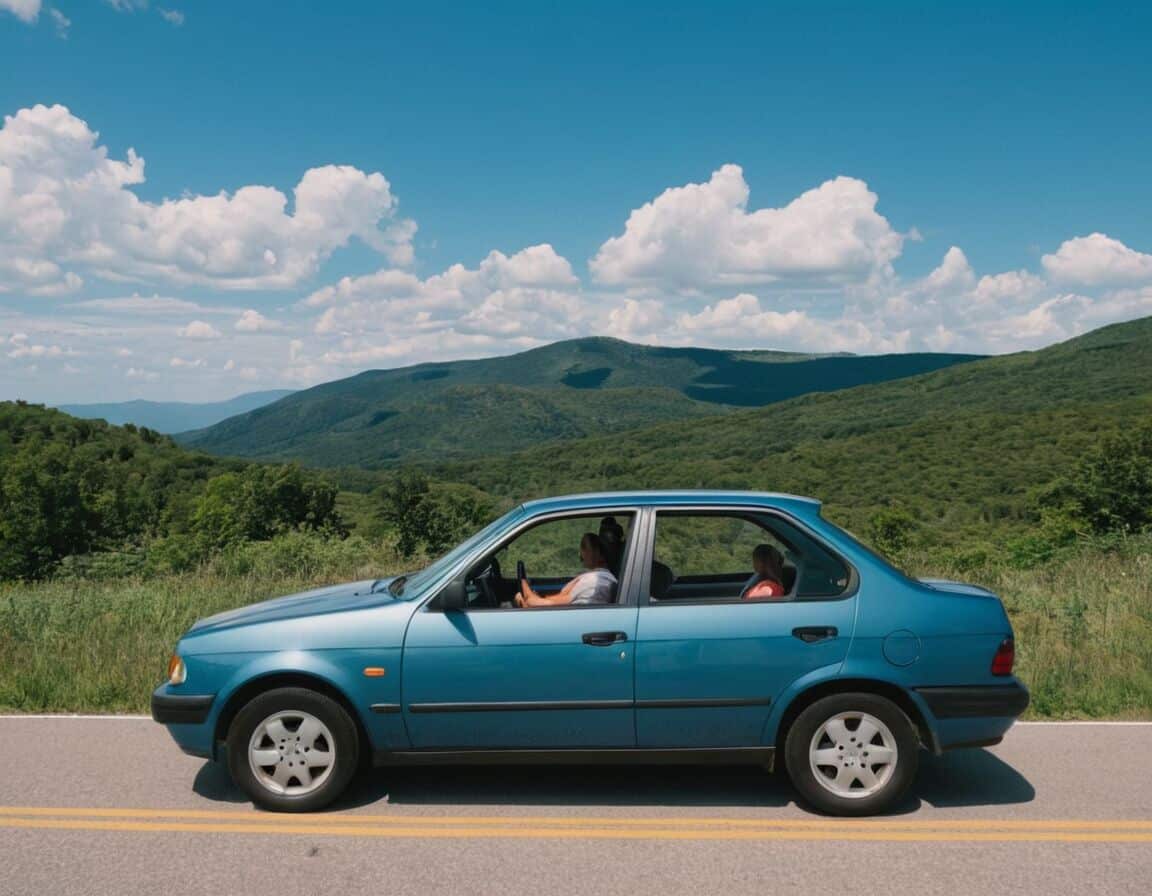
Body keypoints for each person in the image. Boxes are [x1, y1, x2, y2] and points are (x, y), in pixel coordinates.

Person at [515, 532, 618, 607]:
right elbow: (562, 597)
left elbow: (553, 603)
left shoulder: (597, 580)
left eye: (584, 547)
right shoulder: (596, 577)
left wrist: (527, 593)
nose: (580, 553)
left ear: (600, 554)